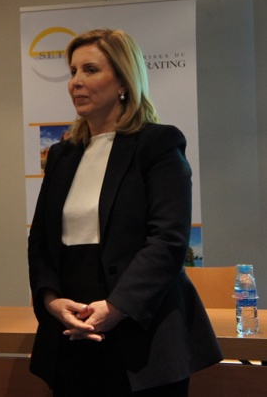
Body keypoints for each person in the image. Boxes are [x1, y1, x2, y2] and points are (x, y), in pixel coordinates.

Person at [27, 28, 222, 396]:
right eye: (72, 72)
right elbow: (40, 243)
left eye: (90, 70)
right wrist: (51, 299)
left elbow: (168, 240)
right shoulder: (61, 156)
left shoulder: (158, 144)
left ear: (122, 80)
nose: (76, 82)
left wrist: (117, 306)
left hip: (143, 337)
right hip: (73, 335)